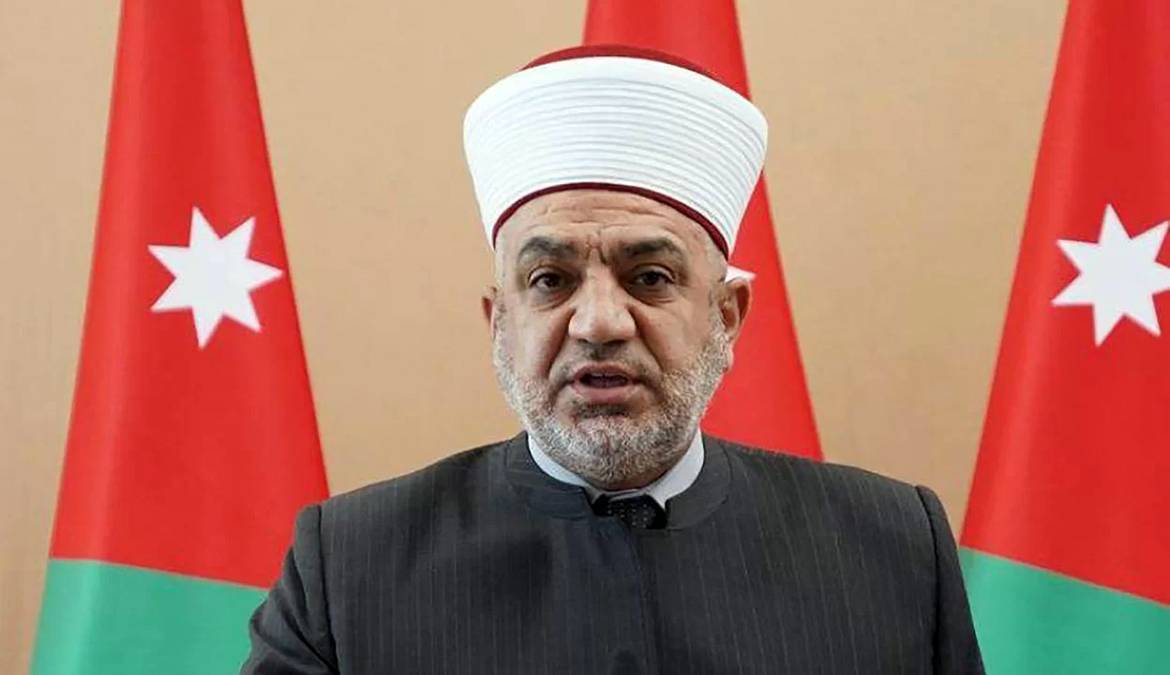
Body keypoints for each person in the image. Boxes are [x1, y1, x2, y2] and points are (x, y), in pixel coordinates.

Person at [241, 45, 984, 674]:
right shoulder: (349, 565)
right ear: (500, 324)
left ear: (726, 316)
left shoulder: (893, 546)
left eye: (650, 277)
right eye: (550, 280)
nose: (599, 322)